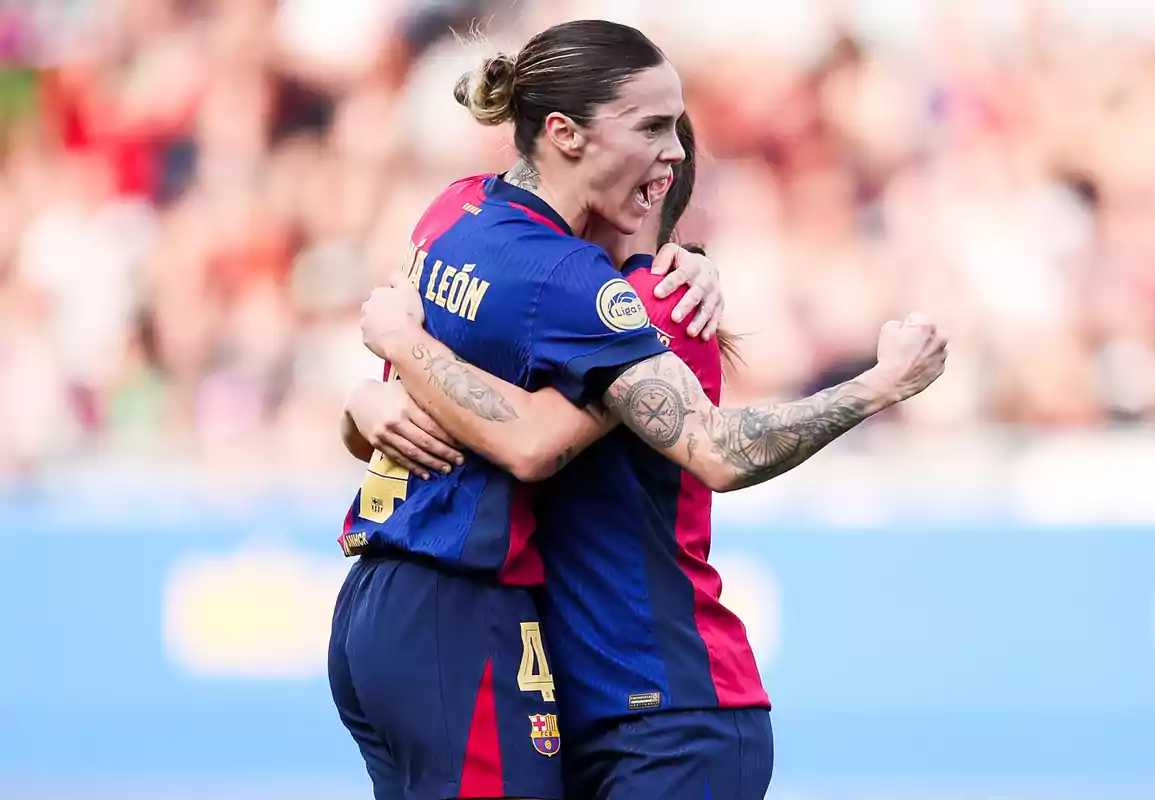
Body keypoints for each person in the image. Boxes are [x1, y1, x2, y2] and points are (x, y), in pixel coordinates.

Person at [358, 50, 948, 800]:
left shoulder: (653, 303)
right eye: (648, 134)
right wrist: (367, 403)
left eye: (664, 146)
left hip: (666, 704)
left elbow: (542, 440)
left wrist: (877, 386)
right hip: (589, 700)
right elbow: (469, 403)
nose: (656, 157)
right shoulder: (556, 290)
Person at [328, 19, 726, 800]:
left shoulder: (455, 208)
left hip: (377, 597)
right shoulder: (570, 279)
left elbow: (420, 390)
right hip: (460, 601)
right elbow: (534, 444)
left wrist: (373, 386)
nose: (669, 155)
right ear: (566, 133)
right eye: (651, 130)